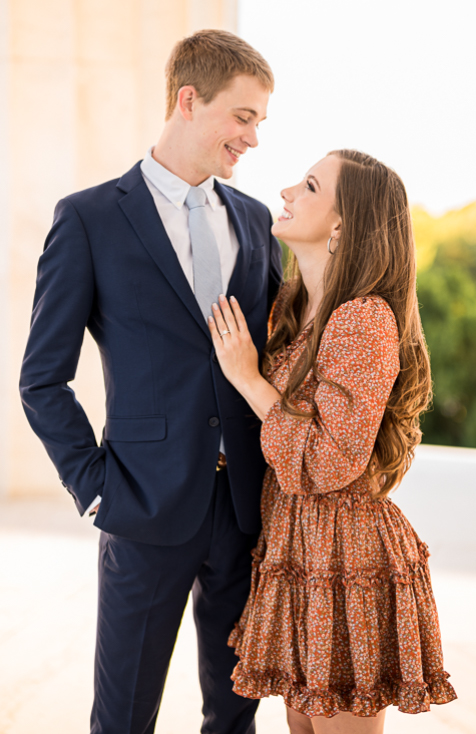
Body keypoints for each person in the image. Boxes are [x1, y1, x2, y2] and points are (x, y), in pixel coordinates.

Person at [19, 31, 281, 733]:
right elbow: (42, 378)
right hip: (142, 508)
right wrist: (95, 484)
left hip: (247, 511)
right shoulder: (91, 218)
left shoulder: (256, 224)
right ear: (188, 100)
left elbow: (282, 356)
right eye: (244, 116)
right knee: (124, 717)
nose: (252, 138)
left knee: (235, 717)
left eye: (260, 121)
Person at [209, 149, 457, 733]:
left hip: (345, 558)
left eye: (311, 186)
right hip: (297, 547)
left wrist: (248, 378)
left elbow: (327, 459)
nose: (289, 190)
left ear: (342, 223)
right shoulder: (296, 310)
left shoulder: (363, 317)